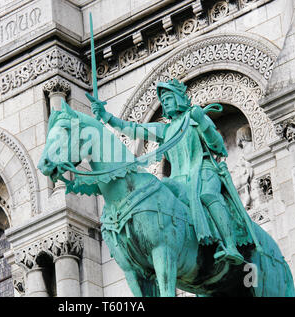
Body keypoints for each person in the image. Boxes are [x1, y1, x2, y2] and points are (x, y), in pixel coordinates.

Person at [86, 79, 245, 265]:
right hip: (178, 179)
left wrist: (202, 121)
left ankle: (230, 246)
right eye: (164, 100)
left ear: (179, 99)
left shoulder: (195, 119)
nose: (165, 103)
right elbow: (134, 129)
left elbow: (219, 148)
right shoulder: (165, 130)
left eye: (169, 98)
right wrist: (106, 116)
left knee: (208, 195)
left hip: (203, 170)